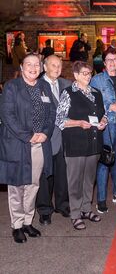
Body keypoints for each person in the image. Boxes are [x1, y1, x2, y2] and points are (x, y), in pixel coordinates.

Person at [0, 53, 56, 243]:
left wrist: (45, 133)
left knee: (33, 185)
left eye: (36, 65)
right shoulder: (11, 87)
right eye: (28, 64)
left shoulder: (44, 86)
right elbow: (8, 117)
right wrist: (29, 136)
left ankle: (27, 221)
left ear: (41, 68)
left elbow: (51, 114)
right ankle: (16, 225)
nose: (33, 68)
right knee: (17, 187)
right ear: (22, 67)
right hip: (18, 144)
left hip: (40, 144)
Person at [56, 61, 107, 230]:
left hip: (93, 144)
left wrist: (103, 122)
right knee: (75, 182)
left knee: (88, 180)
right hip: (75, 144)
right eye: (84, 73)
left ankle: (86, 209)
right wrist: (78, 123)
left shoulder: (96, 93)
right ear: (76, 75)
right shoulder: (68, 93)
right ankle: (75, 213)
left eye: (89, 73)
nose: (88, 76)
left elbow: (103, 114)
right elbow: (59, 120)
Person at [90, 48, 116, 214]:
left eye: (115, 59)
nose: (113, 62)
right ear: (104, 62)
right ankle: (100, 199)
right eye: (109, 59)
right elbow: (91, 102)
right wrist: (109, 108)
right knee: (105, 160)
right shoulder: (97, 80)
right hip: (107, 124)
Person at [35, 55, 71, 226]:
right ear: (44, 66)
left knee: (62, 173)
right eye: (53, 65)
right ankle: (44, 210)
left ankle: (62, 205)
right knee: (45, 175)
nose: (57, 68)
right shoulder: (37, 85)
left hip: (63, 137)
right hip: (44, 137)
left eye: (59, 65)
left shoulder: (66, 84)